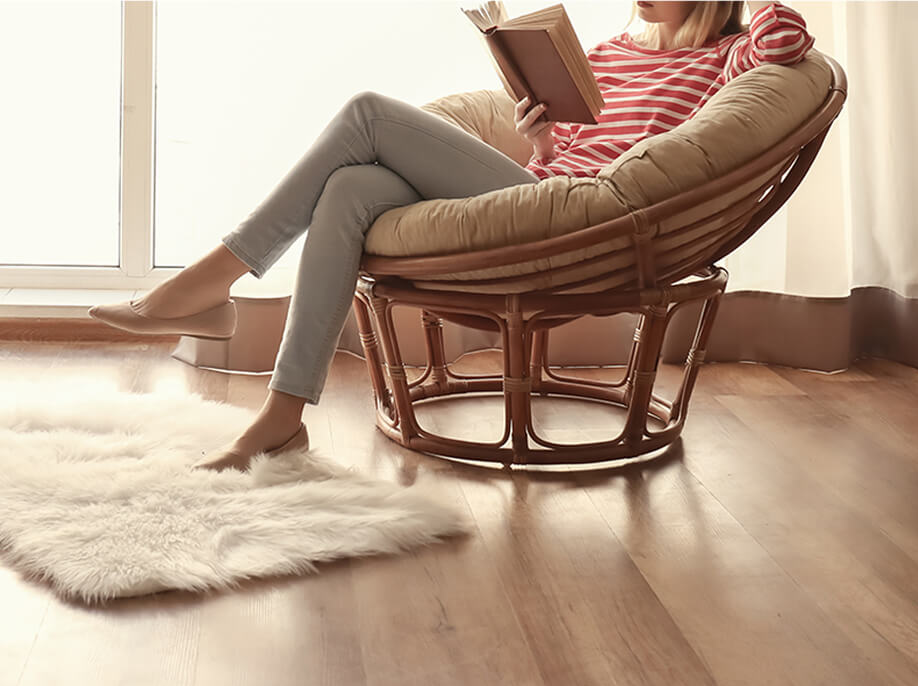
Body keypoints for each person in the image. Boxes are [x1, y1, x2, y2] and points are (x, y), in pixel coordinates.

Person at [88, 1, 814, 472]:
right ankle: (282, 415)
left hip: (597, 219)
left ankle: (210, 282)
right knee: (349, 188)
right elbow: (566, 166)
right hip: (551, 194)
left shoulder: (730, 55)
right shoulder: (612, 53)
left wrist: (743, 23)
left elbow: (791, 39)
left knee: (367, 113)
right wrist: (543, 141)